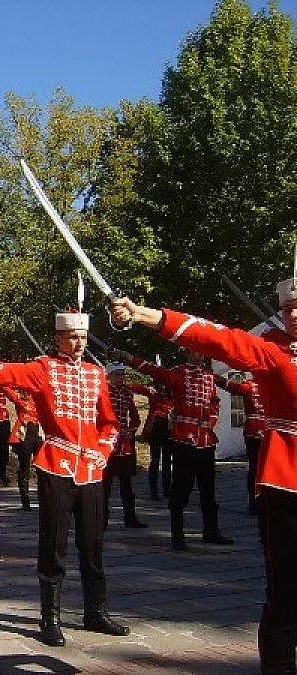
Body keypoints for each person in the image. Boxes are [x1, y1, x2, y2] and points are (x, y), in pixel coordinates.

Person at [110, 277, 297, 674]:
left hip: (205, 437)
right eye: (287, 308)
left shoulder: (209, 380)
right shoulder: (273, 352)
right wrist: (145, 315)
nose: (293, 314)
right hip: (288, 480)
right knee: (287, 594)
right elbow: (215, 336)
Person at [0, 305, 129, 647]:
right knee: (54, 543)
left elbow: (109, 422)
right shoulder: (44, 370)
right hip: (56, 464)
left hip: (92, 470)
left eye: (83, 337)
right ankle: (50, 617)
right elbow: (4, 373)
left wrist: (103, 451)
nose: (79, 343)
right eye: (73, 337)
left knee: (93, 543)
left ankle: (96, 611)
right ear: (59, 338)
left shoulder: (95, 374)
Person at [118, 348, 233, 550]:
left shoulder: (208, 376)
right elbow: (153, 371)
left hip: (205, 438)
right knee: (181, 488)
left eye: (200, 353)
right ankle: (177, 535)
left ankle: (211, 530)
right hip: (183, 437)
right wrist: (130, 359)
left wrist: (211, 420)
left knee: (208, 489)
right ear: (187, 354)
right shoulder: (178, 372)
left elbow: (214, 402)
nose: (198, 355)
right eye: (193, 352)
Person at [104, 363, 147, 529]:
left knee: (126, 484)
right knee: (105, 485)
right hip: (106, 442)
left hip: (123, 444)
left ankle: (130, 517)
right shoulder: (104, 393)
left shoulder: (127, 394)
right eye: (117, 375)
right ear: (110, 376)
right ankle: (102, 520)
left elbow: (135, 418)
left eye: (122, 375)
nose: (121, 378)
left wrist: (131, 430)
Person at [216, 373, 266, 515]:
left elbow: (233, 387)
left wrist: (219, 380)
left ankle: (254, 502)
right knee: (260, 468)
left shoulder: (250, 386)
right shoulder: (269, 387)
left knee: (254, 468)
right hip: (266, 430)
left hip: (253, 430)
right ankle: (259, 501)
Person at [128, 378, 174, 501]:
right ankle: (154, 491)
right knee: (155, 460)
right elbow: (137, 388)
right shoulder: (153, 392)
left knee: (166, 461)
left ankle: (167, 489)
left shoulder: (174, 394)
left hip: (169, 428)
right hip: (155, 427)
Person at [6, 388, 40, 511]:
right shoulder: (20, 398)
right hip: (26, 434)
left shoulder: (40, 399)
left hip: (37, 434)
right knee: (26, 468)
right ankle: (26, 502)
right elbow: (6, 389)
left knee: (38, 469)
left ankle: (37, 500)